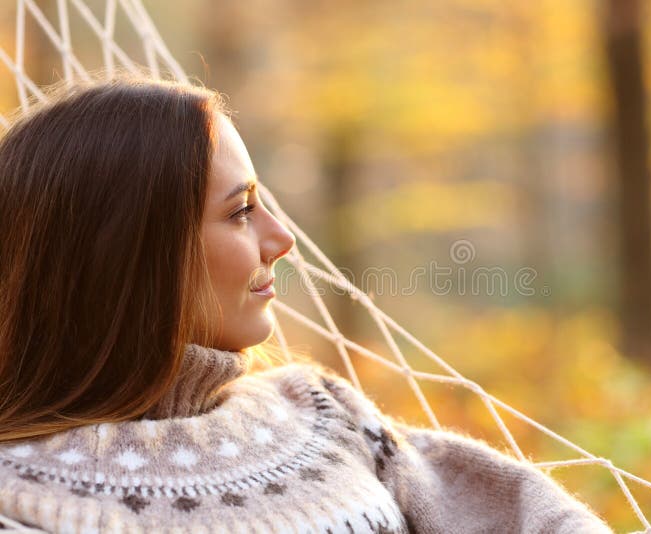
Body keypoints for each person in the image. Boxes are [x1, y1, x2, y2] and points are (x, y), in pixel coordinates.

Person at [0, 78, 611, 533]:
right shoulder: (19, 493)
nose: (282, 238)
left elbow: (526, 511)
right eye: (241, 211)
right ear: (127, 257)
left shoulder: (320, 413)